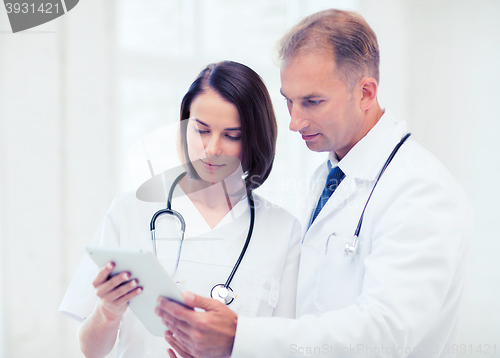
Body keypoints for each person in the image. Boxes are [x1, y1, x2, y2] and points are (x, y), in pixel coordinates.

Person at [155, 9, 473, 358]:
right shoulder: (327, 177)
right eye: (288, 101)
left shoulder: (421, 189)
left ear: (365, 93)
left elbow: (385, 332)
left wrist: (240, 338)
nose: (294, 122)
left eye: (312, 102)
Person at [58, 61, 302, 358]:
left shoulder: (283, 231)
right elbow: (90, 350)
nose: (213, 148)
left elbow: (285, 348)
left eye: (232, 135)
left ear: (254, 139)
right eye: (201, 130)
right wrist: (108, 311)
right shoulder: (130, 211)